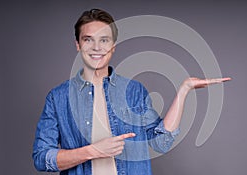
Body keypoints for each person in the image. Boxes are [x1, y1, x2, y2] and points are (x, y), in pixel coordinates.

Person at [32, 8, 231, 175]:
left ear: (113, 46)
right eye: (88, 40)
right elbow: (41, 158)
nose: (96, 47)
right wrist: (92, 151)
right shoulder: (58, 98)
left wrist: (184, 89)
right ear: (78, 45)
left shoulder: (134, 92)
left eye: (104, 40)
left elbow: (161, 142)